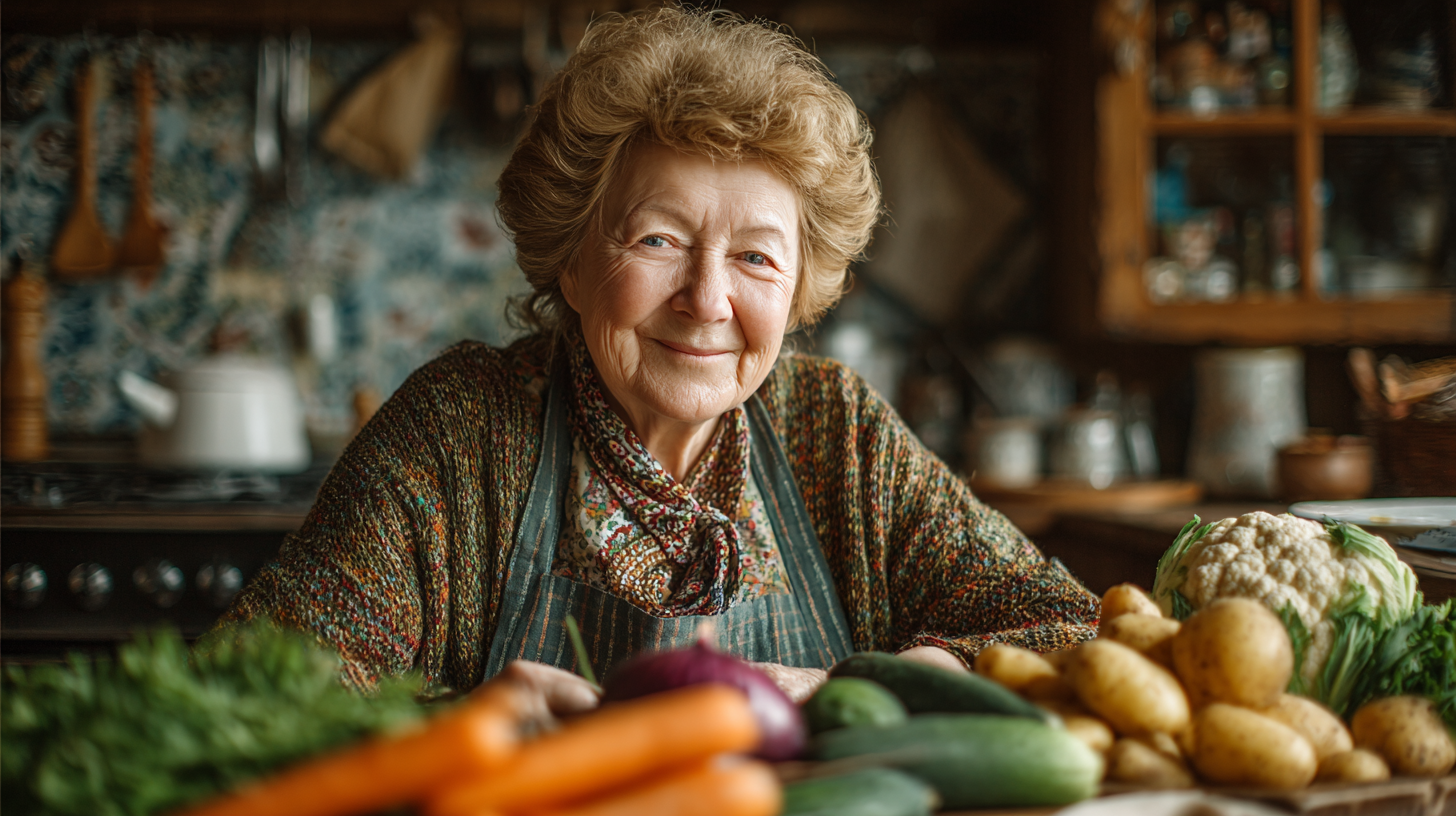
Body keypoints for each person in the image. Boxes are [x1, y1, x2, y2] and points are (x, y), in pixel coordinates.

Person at [216, 6, 1098, 705]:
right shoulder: (463, 431)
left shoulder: (838, 432)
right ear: (571, 258)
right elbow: (254, 689)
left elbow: (1071, 631)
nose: (708, 300)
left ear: (796, 293)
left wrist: (905, 681)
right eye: (659, 240)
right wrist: (458, 719)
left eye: (755, 257)